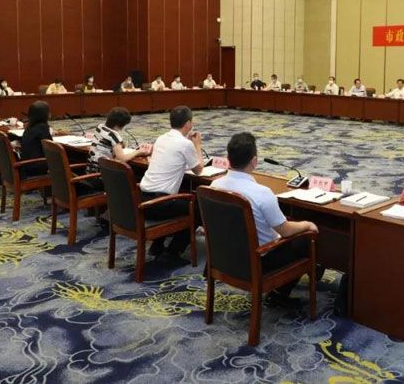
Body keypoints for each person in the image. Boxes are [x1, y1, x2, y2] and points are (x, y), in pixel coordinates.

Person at [211, 132, 319, 308]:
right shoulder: (261, 193)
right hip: (257, 262)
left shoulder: (214, 186)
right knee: (306, 239)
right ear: (254, 161)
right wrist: (307, 224)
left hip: (223, 258)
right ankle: (278, 294)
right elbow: (286, 231)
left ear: (228, 159)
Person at [139, 106, 204, 263]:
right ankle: (173, 251)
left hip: (141, 199)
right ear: (188, 124)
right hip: (158, 204)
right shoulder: (185, 144)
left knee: (179, 199)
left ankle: (157, 246)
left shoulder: (161, 138)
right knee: (199, 209)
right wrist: (197, 145)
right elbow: (199, 170)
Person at [86, 107, 148, 174]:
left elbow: (108, 142)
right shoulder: (114, 136)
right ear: (117, 126)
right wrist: (138, 151)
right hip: (103, 175)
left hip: (91, 170)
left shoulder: (100, 127)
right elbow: (122, 159)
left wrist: (120, 144)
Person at [20, 101, 53, 177]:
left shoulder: (28, 127)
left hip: (26, 166)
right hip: (37, 168)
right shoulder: (43, 128)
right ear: (44, 115)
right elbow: (50, 148)